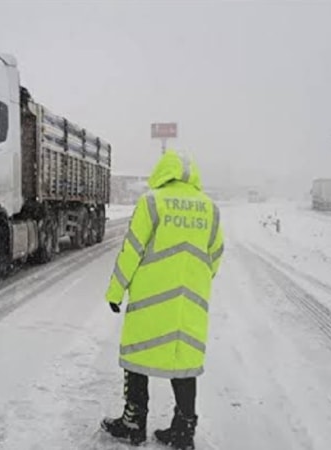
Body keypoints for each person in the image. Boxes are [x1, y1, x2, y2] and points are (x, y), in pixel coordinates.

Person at [100, 149, 224, 449]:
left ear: (162, 172)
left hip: (150, 300)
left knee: (138, 356)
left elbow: (132, 249)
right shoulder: (209, 207)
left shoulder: (152, 202)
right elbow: (215, 255)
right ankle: (183, 430)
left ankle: (133, 422)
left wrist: (116, 291)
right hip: (189, 304)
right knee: (183, 363)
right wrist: (195, 283)